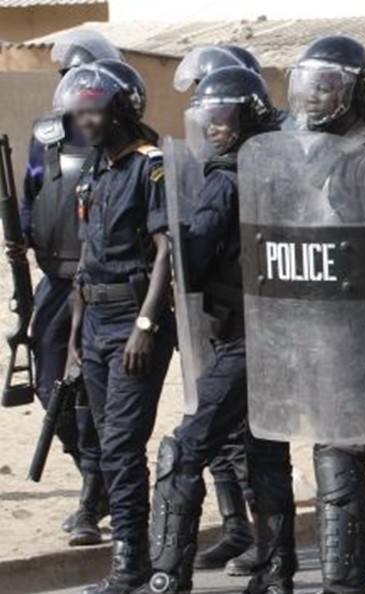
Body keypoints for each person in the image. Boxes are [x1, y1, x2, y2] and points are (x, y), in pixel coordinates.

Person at [247, 34, 365, 594]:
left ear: (355, 90)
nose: (313, 97)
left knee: (339, 455)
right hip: (298, 324)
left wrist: (331, 259)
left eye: (327, 85)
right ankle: (281, 571)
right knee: (292, 444)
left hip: (350, 326)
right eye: (308, 85)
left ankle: (345, 583)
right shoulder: (299, 148)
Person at [131, 66, 289, 594]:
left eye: (224, 116)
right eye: (211, 116)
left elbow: (190, 265)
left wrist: (161, 241)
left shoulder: (223, 180)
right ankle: (276, 574)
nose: (215, 126)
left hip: (244, 335)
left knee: (184, 448)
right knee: (267, 453)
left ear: (246, 117)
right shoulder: (281, 169)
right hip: (282, 335)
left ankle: (166, 575)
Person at [55, 59, 176, 594]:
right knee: (110, 448)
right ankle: (134, 556)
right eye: (78, 113)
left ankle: (131, 565)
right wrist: (75, 340)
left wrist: (146, 325)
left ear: (121, 109)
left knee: (124, 446)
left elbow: (166, 251)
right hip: (97, 322)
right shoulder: (94, 171)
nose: (84, 121)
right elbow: (85, 262)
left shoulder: (150, 168)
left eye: (95, 111)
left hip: (134, 319)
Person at [6, 30, 124, 546]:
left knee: (94, 395)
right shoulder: (47, 134)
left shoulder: (122, 139)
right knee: (48, 385)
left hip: (101, 281)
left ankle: (94, 499)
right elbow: (35, 191)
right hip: (55, 280)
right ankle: (90, 479)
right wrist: (23, 239)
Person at [171, 43, 262, 577]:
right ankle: (238, 529)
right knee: (228, 436)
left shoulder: (244, 168)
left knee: (236, 435)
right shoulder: (212, 168)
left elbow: (202, 249)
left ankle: (258, 541)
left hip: (245, 318)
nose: (213, 124)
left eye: (222, 113)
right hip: (216, 315)